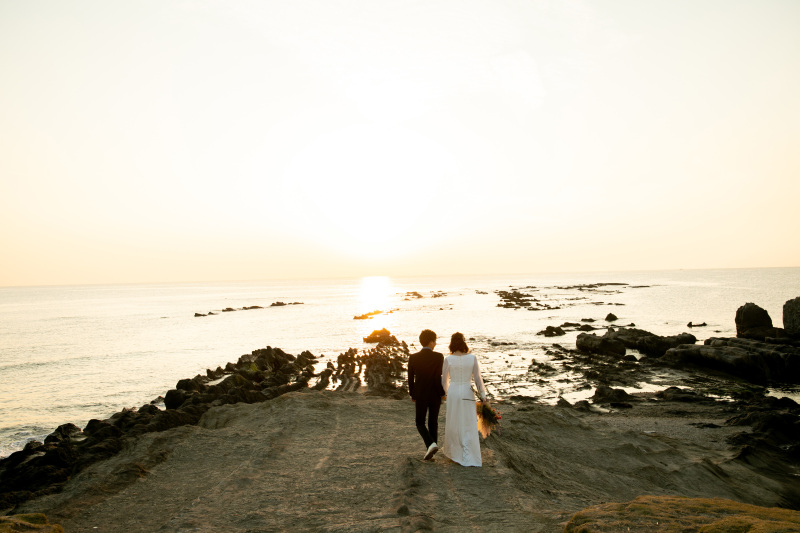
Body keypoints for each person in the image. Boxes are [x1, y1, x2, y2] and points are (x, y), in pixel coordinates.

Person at [441, 332, 489, 467]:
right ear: (464, 343)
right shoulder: (472, 358)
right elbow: (478, 379)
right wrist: (483, 396)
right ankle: (469, 455)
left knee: (454, 421)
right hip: (468, 391)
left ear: (452, 344)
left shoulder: (448, 359)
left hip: (454, 391)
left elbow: (444, 381)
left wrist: (446, 394)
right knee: (468, 422)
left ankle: (455, 454)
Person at [407, 329, 446, 461]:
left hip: (420, 393)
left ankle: (430, 445)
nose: (435, 343)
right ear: (431, 341)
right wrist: (442, 393)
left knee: (419, 422)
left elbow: (410, 379)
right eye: (435, 341)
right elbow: (438, 376)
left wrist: (412, 394)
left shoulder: (413, 357)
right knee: (433, 422)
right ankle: (432, 446)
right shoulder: (439, 356)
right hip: (435, 393)